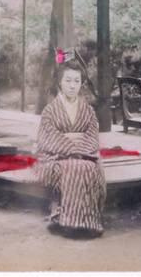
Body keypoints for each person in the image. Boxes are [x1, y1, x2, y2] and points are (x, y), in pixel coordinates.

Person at [35, 59, 106, 237]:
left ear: (81, 84)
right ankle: (66, 222)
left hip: (84, 156)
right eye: (68, 80)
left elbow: (92, 136)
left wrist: (79, 150)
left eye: (76, 81)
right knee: (74, 167)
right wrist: (73, 149)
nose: (72, 86)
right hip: (55, 158)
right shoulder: (50, 111)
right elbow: (47, 138)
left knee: (89, 168)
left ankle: (89, 223)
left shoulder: (87, 110)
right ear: (60, 82)